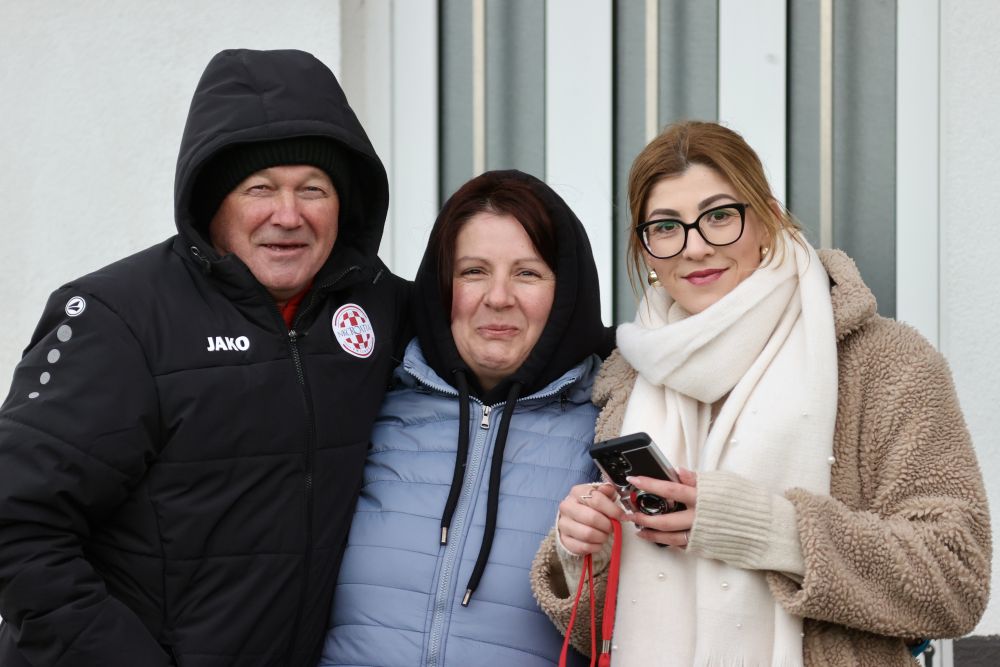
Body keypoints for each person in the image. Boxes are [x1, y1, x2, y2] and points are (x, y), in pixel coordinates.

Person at [0, 49, 409, 666]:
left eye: (313, 189)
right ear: (213, 202)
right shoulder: (120, 319)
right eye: (259, 188)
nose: (288, 215)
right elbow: (18, 524)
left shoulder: (379, 306)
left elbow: (503, 340)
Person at [531, 121, 991, 666]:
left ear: (768, 219)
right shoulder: (629, 377)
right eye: (666, 226)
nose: (695, 246)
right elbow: (602, 632)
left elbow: (956, 578)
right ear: (646, 250)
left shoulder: (882, 361)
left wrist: (768, 529)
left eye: (720, 216)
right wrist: (587, 554)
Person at [318, 170, 611, 666]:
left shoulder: (609, 424)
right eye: (473, 271)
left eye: (527, 273)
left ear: (566, 293)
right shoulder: (369, 401)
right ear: (440, 287)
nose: (498, 297)